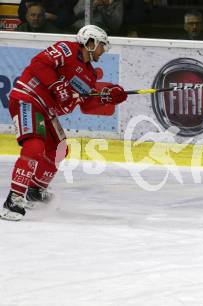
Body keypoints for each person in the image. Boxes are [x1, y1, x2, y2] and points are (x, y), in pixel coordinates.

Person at [0, 25, 128, 221]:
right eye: (102, 45)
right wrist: (56, 84)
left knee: (59, 148)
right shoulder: (66, 49)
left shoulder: (90, 75)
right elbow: (38, 64)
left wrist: (107, 97)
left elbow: (83, 104)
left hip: (47, 111)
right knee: (34, 146)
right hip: (29, 99)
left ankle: (35, 190)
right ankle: (14, 199)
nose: (104, 49)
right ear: (90, 42)